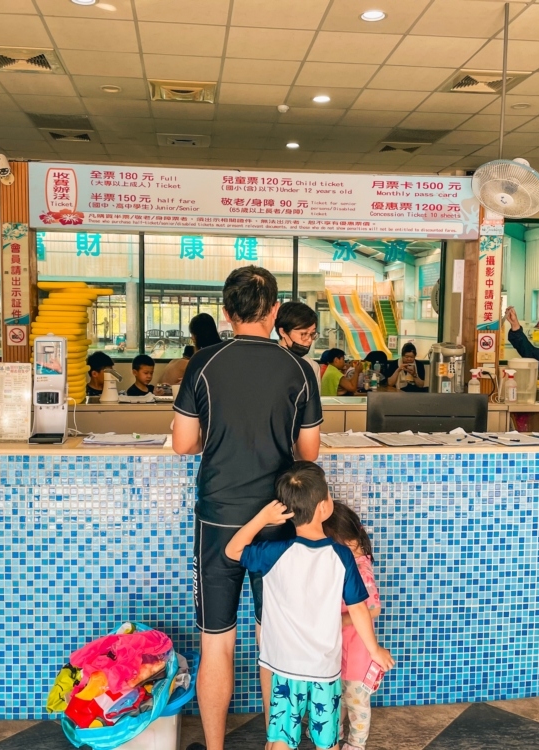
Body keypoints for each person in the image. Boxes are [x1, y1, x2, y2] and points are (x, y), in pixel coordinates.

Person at [172, 266, 323, 750]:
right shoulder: (299, 368)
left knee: (217, 638)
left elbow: (183, 443)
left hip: (218, 518)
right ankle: (274, 744)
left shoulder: (204, 363)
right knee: (271, 639)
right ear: (275, 311)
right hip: (279, 520)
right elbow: (310, 452)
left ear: (226, 312)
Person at [225, 462, 394, 750]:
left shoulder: (274, 553)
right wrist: (375, 649)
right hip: (323, 671)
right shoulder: (341, 556)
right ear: (325, 506)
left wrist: (263, 518)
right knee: (327, 741)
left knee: (279, 738)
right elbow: (358, 608)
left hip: (283, 666)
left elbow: (233, 550)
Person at [323, 502, 383, 750]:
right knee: (339, 698)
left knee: (357, 703)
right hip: (339, 653)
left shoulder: (361, 570)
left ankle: (356, 744)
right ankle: (331, 734)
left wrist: (338, 621)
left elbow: (373, 609)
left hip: (357, 655)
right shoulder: (341, 563)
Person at [275, 301, 321, 381]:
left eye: (312, 334)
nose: (309, 340)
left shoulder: (312, 366)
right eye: (303, 334)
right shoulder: (268, 361)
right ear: (283, 332)